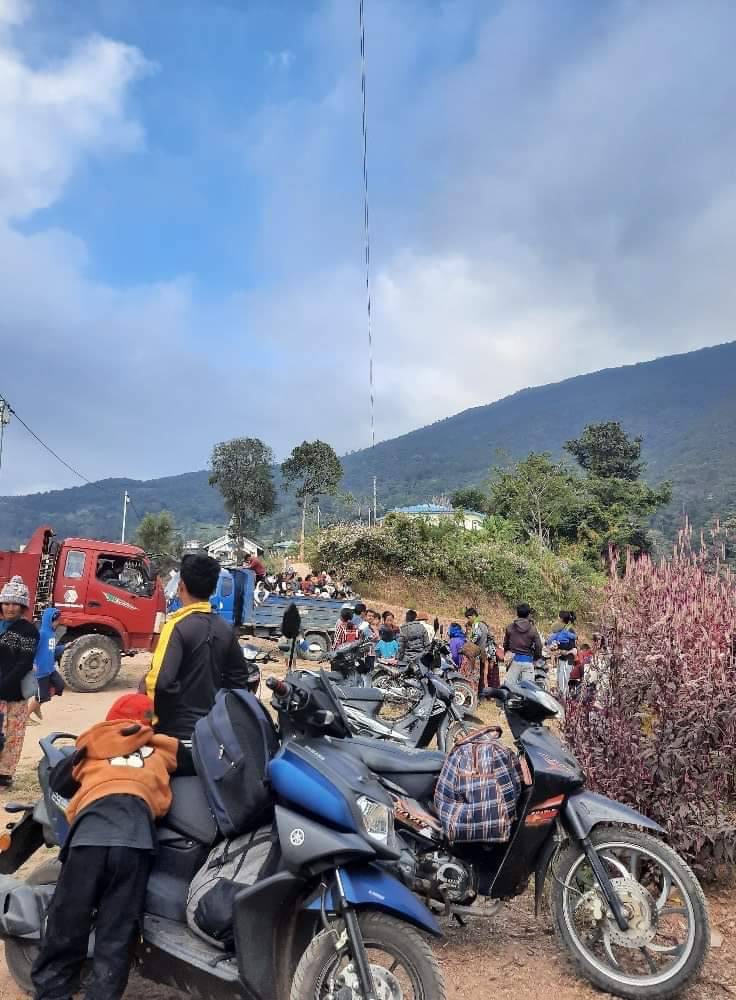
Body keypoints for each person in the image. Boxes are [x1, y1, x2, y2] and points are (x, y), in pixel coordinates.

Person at [31, 694, 180, 1000]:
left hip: (89, 839)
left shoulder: (93, 747)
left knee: (67, 926)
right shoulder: (161, 752)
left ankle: (51, 994)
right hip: (135, 843)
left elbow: (58, 783)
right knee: (116, 934)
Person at [144, 553, 250, 768]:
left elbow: (159, 683)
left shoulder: (177, 626)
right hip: (211, 735)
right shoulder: (225, 629)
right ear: (212, 590)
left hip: (174, 736)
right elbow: (239, 679)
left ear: (181, 585)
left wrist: (152, 722)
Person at [0, 576, 39, 788]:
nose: (10, 608)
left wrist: (3, 686)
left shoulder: (28, 630)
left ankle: (4, 778)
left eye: (15, 603)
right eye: (6, 603)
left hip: (14, 694)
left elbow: (24, 664)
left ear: (23, 606)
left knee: (11, 738)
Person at [503, 602, 543, 688]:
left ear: (517, 613)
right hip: (528, 661)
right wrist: (536, 658)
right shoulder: (533, 629)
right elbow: (539, 646)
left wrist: (507, 652)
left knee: (508, 688)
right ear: (528, 614)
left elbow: (505, 644)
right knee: (528, 689)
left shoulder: (510, 627)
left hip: (513, 661)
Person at [548, 611, 577, 699]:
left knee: (564, 681)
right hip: (561, 658)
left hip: (567, 659)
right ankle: (561, 700)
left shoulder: (569, 630)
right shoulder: (562, 629)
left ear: (561, 619)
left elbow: (571, 646)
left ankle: (564, 702)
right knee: (560, 680)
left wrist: (558, 646)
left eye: (558, 617)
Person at [465, 607, 490, 694]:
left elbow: (475, 636)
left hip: (477, 654)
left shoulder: (476, 624)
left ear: (473, 616)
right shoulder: (484, 625)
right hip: (483, 652)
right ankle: (481, 693)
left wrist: (469, 642)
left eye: (469, 618)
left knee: (474, 675)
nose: (469, 620)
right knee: (482, 675)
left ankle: (475, 694)